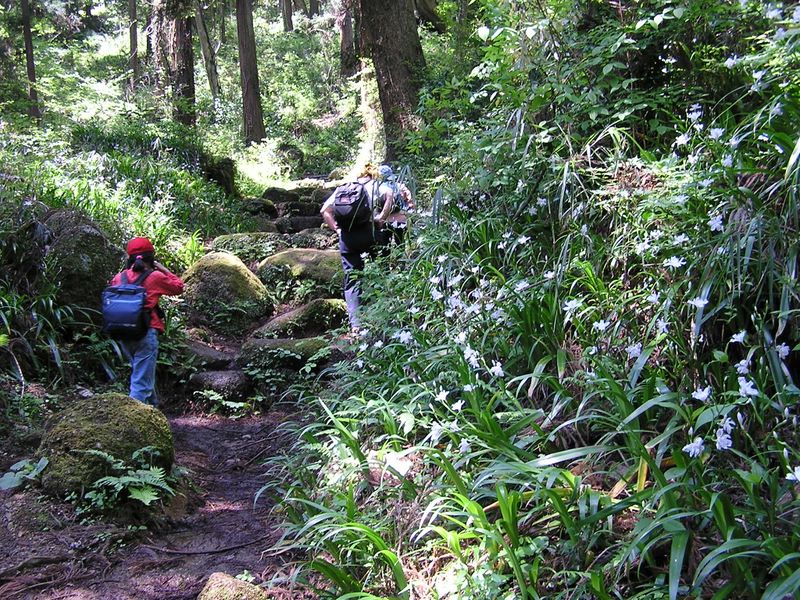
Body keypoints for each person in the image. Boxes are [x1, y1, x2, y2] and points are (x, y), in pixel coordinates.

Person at [109, 237, 184, 406]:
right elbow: (178, 287)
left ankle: (153, 409)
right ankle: (132, 417)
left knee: (142, 373)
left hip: (122, 332)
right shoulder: (155, 276)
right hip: (146, 331)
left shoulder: (119, 277)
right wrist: (164, 269)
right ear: (151, 257)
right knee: (141, 382)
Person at [320, 164, 393, 332]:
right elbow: (390, 196)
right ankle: (383, 316)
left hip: (348, 238)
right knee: (381, 271)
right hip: (371, 232)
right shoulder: (376, 185)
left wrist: (337, 230)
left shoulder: (344, 189)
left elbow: (325, 210)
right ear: (373, 173)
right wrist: (381, 217)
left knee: (352, 278)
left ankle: (356, 325)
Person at [376, 164, 415, 248]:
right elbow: (411, 203)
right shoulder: (400, 186)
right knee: (400, 245)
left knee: (385, 247)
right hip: (400, 220)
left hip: (383, 221)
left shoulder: (377, 189)